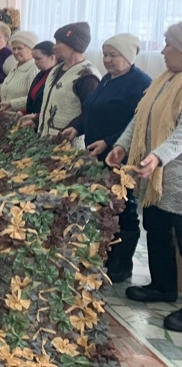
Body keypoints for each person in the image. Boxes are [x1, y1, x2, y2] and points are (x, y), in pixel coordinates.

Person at [107, 23, 182, 331]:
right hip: (155, 178)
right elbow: (139, 118)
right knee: (156, 228)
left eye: (169, 45)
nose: (163, 51)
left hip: (175, 176)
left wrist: (158, 156)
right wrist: (122, 146)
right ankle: (162, 286)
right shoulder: (164, 79)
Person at [71, 34, 150, 283]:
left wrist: (109, 141)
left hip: (121, 155)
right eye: (105, 54)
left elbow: (138, 125)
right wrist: (77, 128)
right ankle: (105, 255)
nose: (107, 60)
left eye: (113, 55)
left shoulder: (140, 83)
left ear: (128, 56)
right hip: (98, 154)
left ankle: (121, 265)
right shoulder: (107, 79)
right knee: (105, 207)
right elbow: (93, 110)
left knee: (123, 208)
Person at [34, 22, 100, 146]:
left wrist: (74, 128)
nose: (54, 47)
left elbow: (91, 113)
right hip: (46, 143)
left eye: (59, 42)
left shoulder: (87, 75)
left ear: (73, 46)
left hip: (68, 147)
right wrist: (37, 119)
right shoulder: (56, 69)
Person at [0, 31, 39, 113]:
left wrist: (11, 103)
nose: (15, 52)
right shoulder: (16, 67)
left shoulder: (34, 68)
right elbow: (13, 89)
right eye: (14, 49)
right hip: (6, 116)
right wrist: (0, 95)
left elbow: (34, 98)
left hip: (21, 118)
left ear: (31, 49)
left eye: (19, 48)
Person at [19, 41, 58, 120]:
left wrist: (36, 117)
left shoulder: (58, 77)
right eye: (34, 59)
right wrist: (23, 112)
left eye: (38, 59)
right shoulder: (41, 74)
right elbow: (34, 101)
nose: (35, 63)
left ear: (52, 57)